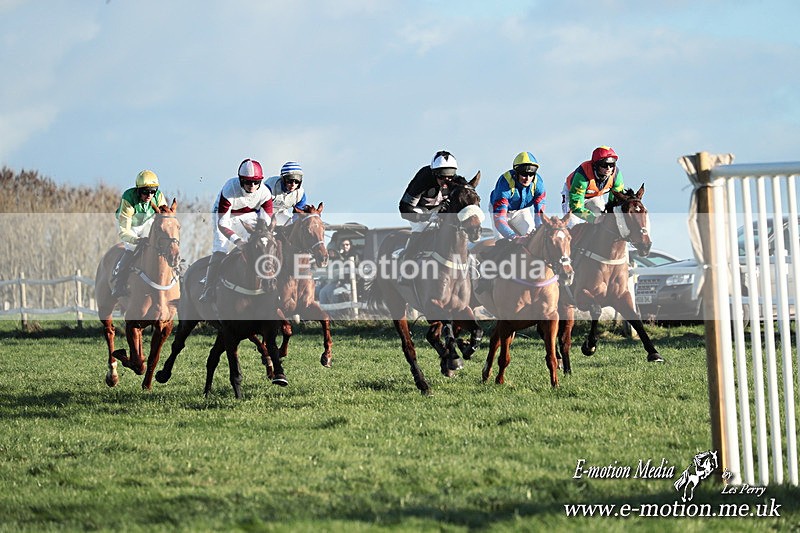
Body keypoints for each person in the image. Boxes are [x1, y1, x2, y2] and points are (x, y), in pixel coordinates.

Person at [199, 158, 274, 303]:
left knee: (261, 245)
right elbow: (222, 223)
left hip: (248, 215)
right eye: (248, 182)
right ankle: (208, 287)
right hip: (224, 216)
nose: (252, 186)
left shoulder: (265, 193)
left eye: (256, 182)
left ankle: (268, 282)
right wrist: (238, 241)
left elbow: (265, 224)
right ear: (240, 180)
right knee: (221, 248)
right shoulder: (229, 189)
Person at [110, 170, 168, 298]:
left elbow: (164, 219)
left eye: (153, 191)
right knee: (132, 248)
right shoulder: (129, 198)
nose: (149, 195)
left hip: (147, 222)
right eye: (145, 191)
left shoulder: (158, 196)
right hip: (130, 225)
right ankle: (119, 284)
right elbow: (124, 231)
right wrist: (136, 240)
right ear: (138, 190)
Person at [398, 150, 458, 259]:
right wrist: (425, 217)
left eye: (450, 176)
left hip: (440, 210)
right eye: (442, 176)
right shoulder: (423, 179)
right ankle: (407, 258)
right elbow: (404, 209)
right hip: (418, 209)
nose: (446, 180)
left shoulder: (455, 181)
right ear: (434, 174)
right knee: (421, 227)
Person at [561, 146, 625, 225]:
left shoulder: (616, 177)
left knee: (603, 218)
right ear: (596, 165)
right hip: (573, 196)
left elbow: (615, 202)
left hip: (594, 196)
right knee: (572, 224)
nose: (608, 168)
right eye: (604, 164)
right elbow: (576, 206)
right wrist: (592, 218)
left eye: (612, 164)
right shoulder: (582, 175)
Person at [490, 151, 546, 239]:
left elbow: (539, 213)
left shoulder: (538, 184)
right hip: (500, 211)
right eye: (524, 174)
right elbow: (500, 219)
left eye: (531, 174)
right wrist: (513, 237)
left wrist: (539, 230)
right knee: (502, 240)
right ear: (516, 173)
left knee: (532, 236)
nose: (527, 178)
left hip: (521, 211)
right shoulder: (505, 183)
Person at [264, 161, 308, 226]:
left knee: (291, 227)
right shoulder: (270, 186)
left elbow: (298, 215)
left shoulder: (300, 194)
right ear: (283, 179)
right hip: (262, 212)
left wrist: (294, 224)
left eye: (297, 181)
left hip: (280, 213)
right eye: (290, 181)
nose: (293, 185)